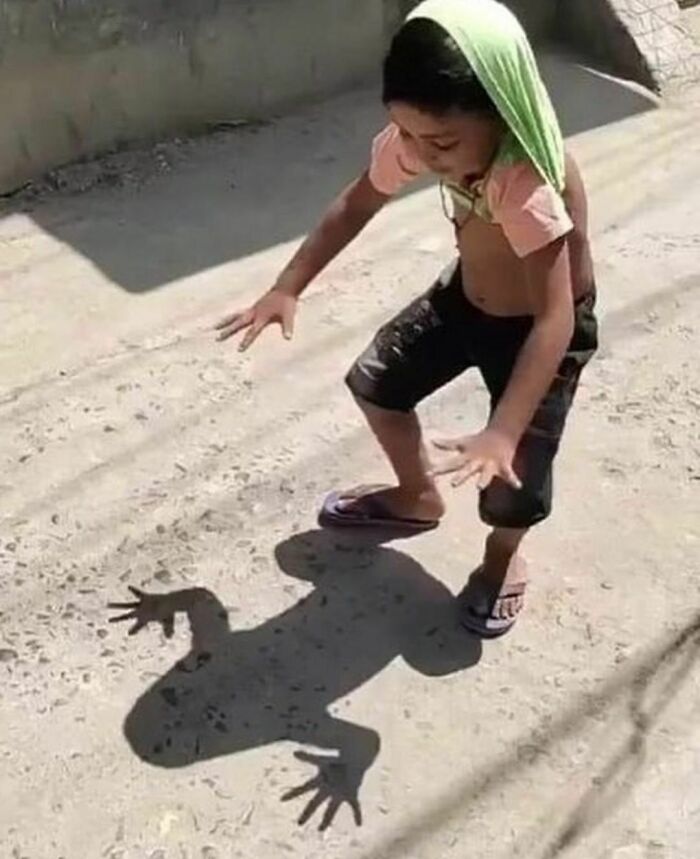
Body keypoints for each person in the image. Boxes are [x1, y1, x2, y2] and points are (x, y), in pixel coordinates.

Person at [214, 0, 598, 638]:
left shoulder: (526, 183)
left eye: (441, 143)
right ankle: (417, 496)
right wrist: (288, 286)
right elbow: (357, 202)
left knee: (515, 480)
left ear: (500, 110)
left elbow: (555, 318)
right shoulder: (421, 142)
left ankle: (502, 561)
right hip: (465, 297)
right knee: (376, 383)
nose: (424, 155)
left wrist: (501, 432)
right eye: (410, 134)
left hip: (539, 334)